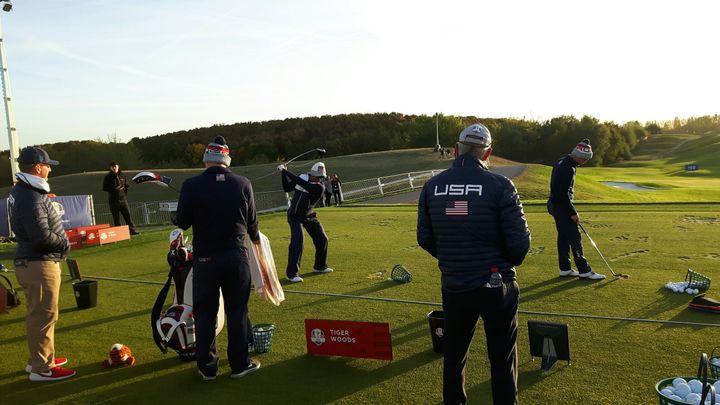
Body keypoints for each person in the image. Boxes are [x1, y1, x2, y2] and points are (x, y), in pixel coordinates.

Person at [417, 124, 531, 404]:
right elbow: (519, 246)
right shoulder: (500, 185)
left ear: (456, 150)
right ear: (488, 152)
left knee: (453, 357)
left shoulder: (433, 186)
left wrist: (453, 260)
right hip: (497, 286)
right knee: (502, 360)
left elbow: (425, 238)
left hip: (455, 285)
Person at [175, 136, 261, 380]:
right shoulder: (243, 183)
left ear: (207, 160)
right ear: (226, 159)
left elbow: (182, 222)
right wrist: (255, 240)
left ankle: (207, 367)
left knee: (205, 313)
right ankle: (239, 364)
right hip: (235, 255)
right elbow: (252, 222)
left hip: (205, 259)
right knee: (237, 311)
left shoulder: (192, 185)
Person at [9, 147, 75, 381]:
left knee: (41, 314)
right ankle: (42, 367)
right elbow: (41, 236)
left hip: (33, 262)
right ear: (38, 167)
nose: (49, 169)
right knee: (43, 316)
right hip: (39, 263)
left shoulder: (26, 192)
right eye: (47, 165)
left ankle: (38, 359)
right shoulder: (31, 196)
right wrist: (65, 243)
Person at [547, 139, 605, 280]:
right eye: (585, 158)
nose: (585, 161)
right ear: (578, 155)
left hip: (553, 205)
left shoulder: (562, 161)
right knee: (575, 237)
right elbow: (563, 193)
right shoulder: (568, 167)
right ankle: (584, 270)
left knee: (564, 237)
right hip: (561, 206)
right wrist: (573, 212)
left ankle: (565, 268)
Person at [278, 161, 333, 283]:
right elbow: (287, 188)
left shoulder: (319, 187)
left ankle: (320, 266)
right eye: (318, 176)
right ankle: (291, 274)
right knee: (298, 241)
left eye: (321, 177)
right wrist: (283, 174)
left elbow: (303, 184)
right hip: (295, 216)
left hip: (309, 216)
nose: (319, 179)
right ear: (312, 173)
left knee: (322, 239)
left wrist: (285, 171)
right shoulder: (302, 177)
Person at [102, 161, 140, 235]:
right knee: (116, 218)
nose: (114, 168)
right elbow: (104, 188)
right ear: (110, 168)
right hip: (113, 201)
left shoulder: (122, 175)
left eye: (115, 166)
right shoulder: (108, 176)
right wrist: (114, 189)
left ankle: (132, 231)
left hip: (123, 200)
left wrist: (124, 194)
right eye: (112, 167)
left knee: (128, 216)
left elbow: (126, 185)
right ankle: (119, 233)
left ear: (118, 167)